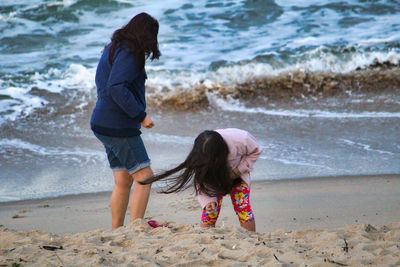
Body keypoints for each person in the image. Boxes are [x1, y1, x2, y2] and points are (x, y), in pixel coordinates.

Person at [90, 13, 161, 229]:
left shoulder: (114, 47)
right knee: (144, 176)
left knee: (123, 181)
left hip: (102, 122)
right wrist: (141, 116)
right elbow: (117, 87)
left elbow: (105, 84)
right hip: (117, 125)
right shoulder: (130, 52)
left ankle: (117, 230)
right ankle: (135, 230)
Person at [140, 128, 262, 231]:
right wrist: (207, 202)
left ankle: (250, 239)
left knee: (243, 208)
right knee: (210, 211)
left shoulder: (240, 139)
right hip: (213, 179)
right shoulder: (201, 156)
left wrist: (237, 171)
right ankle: (206, 237)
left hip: (238, 176)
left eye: (214, 159)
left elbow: (256, 151)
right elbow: (201, 181)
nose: (212, 162)